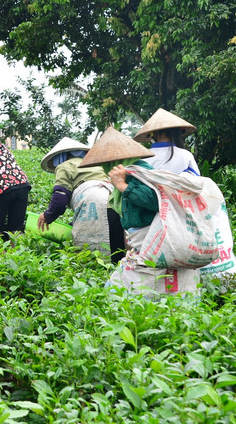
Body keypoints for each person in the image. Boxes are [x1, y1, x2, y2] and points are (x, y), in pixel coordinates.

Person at [78, 127, 200, 297]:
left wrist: (123, 186)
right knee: (136, 279)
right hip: (142, 241)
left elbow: (153, 200)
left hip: (153, 238)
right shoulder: (127, 173)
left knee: (133, 282)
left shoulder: (138, 172)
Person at [37, 137, 125, 263]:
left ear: (61, 156)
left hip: (93, 202)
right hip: (116, 203)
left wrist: (47, 215)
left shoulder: (64, 166)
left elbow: (60, 198)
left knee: (91, 257)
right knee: (117, 253)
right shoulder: (95, 165)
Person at [134, 108, 200, 175]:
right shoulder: (186, 155)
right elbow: (197, 181)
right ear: (177, 132)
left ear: (152, 134)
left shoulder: (144, 157)